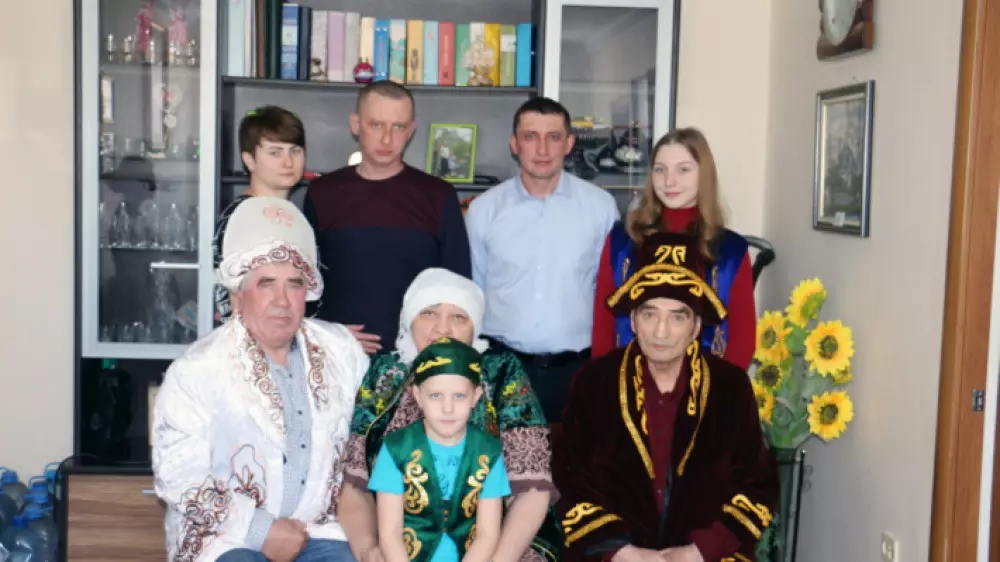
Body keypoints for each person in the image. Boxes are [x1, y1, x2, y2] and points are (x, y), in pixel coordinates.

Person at [152, 197, 370, 562]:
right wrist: (261, 530)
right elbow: (178, 475)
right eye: (267, 283)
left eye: (294, 284)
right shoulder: (198, 368)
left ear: (308, 293)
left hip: (318, 530)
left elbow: (369, 448)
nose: (282, 300)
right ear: (240, 293)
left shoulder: (342, 352)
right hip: (226, 537)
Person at [554, 232, 778, 562]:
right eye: (649, 314)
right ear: (633, 320)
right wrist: (621, 551)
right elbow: (571, 478)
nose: (661, 332)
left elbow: (757, 484)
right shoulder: (595, 382)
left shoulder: (729, 387)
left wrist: (700, 551)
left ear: (696, 326)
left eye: (677, 316)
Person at [339, 268, 562, 562]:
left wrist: (499, 559)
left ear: (475, 327)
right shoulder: (384, 373)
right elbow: (355, 485)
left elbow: (532, 488)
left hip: (499, 538)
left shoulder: (500, 371)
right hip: (396, 541)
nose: (442, 328)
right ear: (409, 319)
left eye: (458, 316)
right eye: (429, 313)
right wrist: (369, 550)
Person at [464, 97, 619, 423]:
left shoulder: (600, 208)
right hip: (503, 368)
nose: (543, 149)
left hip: (577, 371)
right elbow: (473, 291)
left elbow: (609, 291)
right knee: (502, 456)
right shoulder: (484, 210)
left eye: (554, 137)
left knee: (574, 456)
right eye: (531, 136)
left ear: (569, 143)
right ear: (514, 144)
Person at [304, 81, 472, 355]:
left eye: (398, 127)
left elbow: (458, 288)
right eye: (376, 125)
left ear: (411, 131)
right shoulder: (322, 193)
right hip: (338, 357)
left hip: (416, 359)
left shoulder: (438, 195)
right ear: (355, 124)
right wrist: (331, 336)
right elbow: (302, 285)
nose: (386, 138)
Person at [592, 128, 757, 371]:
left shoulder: (730, 250)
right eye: (660, 169)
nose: (669, 181)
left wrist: (720, 391)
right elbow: (603, 327)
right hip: (627, 384)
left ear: (704, 174)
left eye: (683, 170)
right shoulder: (622, 240)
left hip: (705, 387)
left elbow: (743, 340)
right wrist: (603, 384)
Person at [368, 338, 511, 562]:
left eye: (459, 396)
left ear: (475, 396)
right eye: (436, 396)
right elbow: (390, 533)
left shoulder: (489, 451)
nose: (447, 408)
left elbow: (487, 534)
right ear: (418, 396)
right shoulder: (396, 448)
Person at [213, 105, 307, 323]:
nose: (288, 162)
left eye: (295, 151)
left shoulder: (291, 215)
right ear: (249, 160)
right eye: (275, 152)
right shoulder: (243, 216)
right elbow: (236, 306)